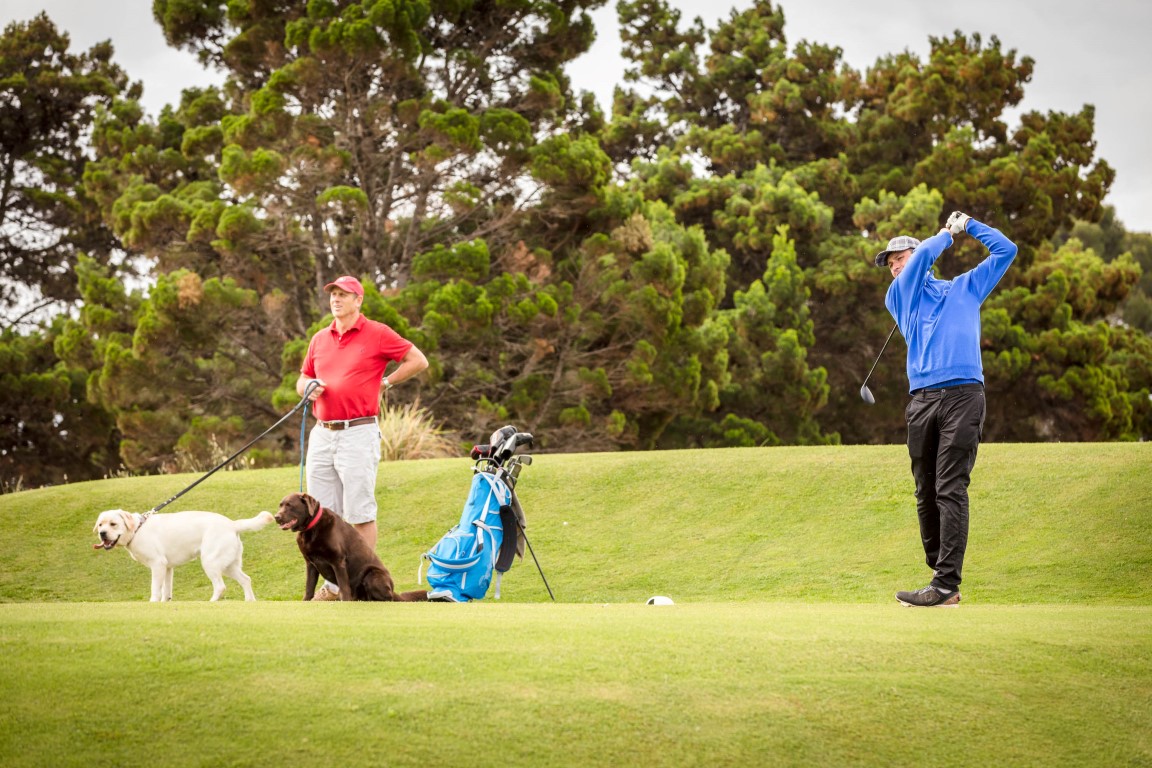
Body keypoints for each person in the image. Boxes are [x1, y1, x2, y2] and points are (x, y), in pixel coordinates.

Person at [874, 211, 1017, 607]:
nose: (895, 267)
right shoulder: (898, 296)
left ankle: (945, 583)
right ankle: (938, 571)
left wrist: (969, 225)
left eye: (899, 258)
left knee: (950, 487)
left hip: (964, 395)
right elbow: (921, 260)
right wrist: (944, 235)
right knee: (926, 490)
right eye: (890, 264)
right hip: (921, 400)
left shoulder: (966, 287)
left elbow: (1007, 250)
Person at [295, 275, 429, 601]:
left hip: (358, 432)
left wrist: (387, 382)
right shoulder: (320, 338)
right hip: (323, 434)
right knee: (320, 515)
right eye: (333, 294)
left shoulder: (377, 333)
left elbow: (418, 360)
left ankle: (358, 586)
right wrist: (307, 388)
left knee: (359, 513)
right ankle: (332, 589)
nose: (336, 299)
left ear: (358, 300)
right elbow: (303, 377)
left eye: (344, 294)